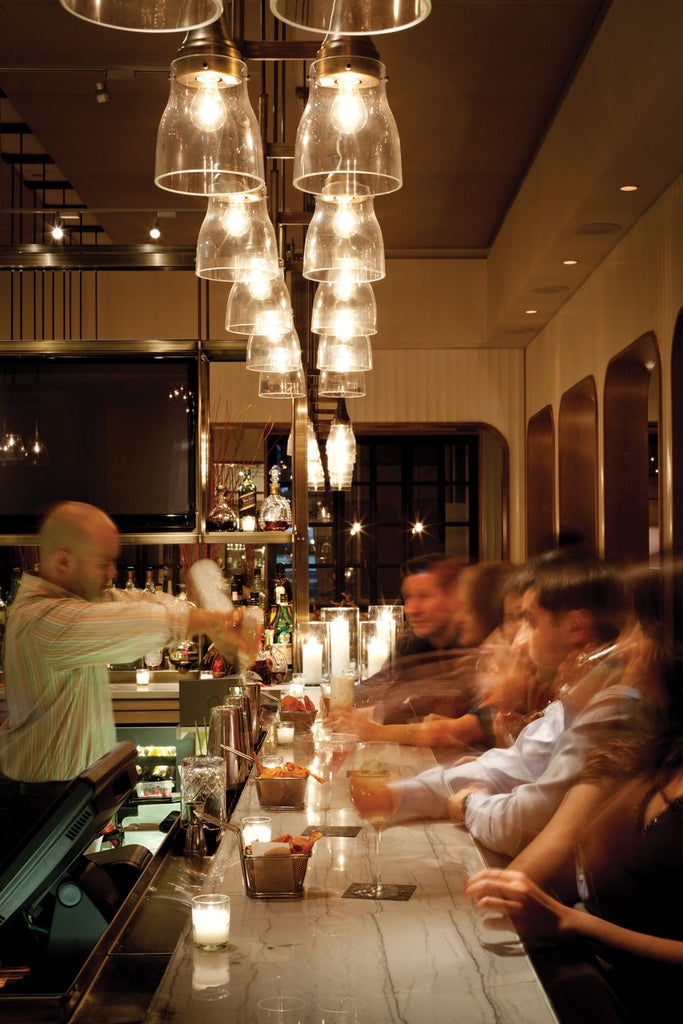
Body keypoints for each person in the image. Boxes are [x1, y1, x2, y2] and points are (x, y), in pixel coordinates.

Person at [349, 549, 646, 858]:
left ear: (575, 627)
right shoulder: (568, 701)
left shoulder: (610, 707)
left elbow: (524, 821)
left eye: (528, 621)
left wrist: (468, 804)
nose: (519, 640)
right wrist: (395, 797)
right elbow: (503, 768)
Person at [0, 501, 262, 844]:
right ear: (63, 561)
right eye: (102, 562)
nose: (111, 571)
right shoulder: (43, 620)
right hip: (44, 807)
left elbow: (144, 602)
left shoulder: (80, 601)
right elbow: (145, 622)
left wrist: (211, 616)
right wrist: (221, 620)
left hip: (72, 798)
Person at [464, 654, 683, 1023]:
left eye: (642, 629)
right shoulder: (652, 748)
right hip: (591, 977)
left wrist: (571, 922)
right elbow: (557, 845)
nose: (625, 650)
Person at [330, 562, 540, 754]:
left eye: (465, 607)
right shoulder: (416, 643)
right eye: (408, 598)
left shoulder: (511, 668)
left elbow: (462, 727)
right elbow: (388, 684)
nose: (412, 609)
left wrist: (372, 730)